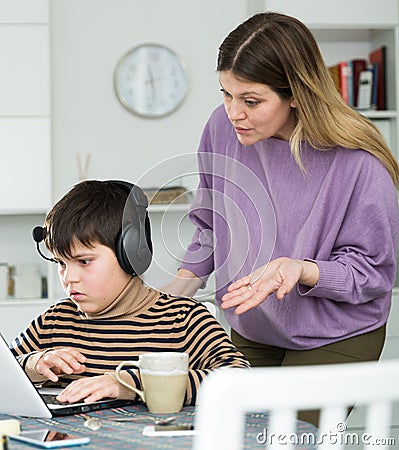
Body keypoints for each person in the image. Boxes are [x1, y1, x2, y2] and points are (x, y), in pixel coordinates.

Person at [162, 12, 399, 424]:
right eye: (226, 94)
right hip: (253, 326)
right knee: (232, 433)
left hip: (333, 333)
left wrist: (301, 270)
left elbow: (373, 273)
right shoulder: (222, 128)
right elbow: (212, 221)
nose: (234, 112)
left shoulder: (359, 163)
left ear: (295, 94)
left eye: (251, 101)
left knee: (286, 438)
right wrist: (183, 283)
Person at [10, 180, 249, 406]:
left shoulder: (183, 319)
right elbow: (5, 370)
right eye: (61, 263)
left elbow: (238, 382)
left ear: (133, 253)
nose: (68, 277)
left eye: (83, 261)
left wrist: (128, 385)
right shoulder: (55, 320)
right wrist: (33, 364)